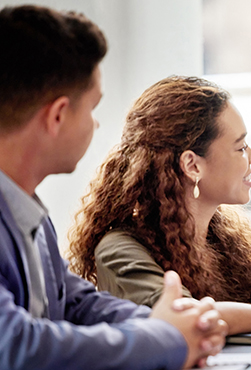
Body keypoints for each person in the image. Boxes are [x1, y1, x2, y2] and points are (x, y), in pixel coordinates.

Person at [0, 5, 227, 370]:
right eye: (92, 108)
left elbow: (77, 303)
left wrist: (181, 325)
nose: (96, 124)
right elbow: (17, 345)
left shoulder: (29, 215)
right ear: (57, 116)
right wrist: (165, 339)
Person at [67, 75, 251, 335]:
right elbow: (187, 319)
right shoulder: (120, 249)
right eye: (241, 148)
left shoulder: (224, 242)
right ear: (192, 165)